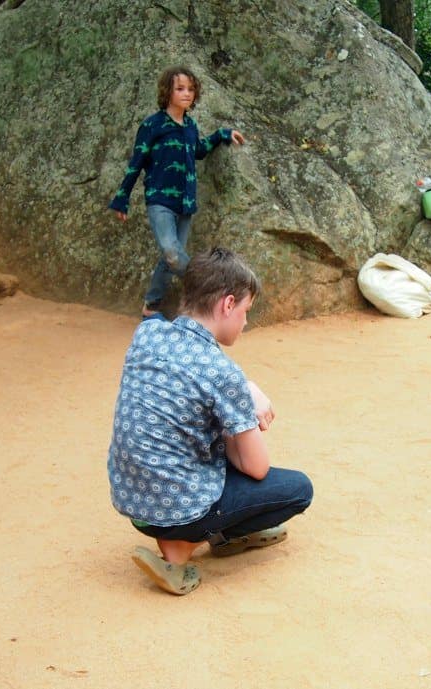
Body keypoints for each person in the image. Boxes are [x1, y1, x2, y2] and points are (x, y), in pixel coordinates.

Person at [107, 247, 313, 595]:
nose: (246, 322)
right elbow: (257, 468)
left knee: (210, 447)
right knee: (298, 489)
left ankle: (203, 536)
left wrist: (244, 389)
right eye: (246, 311)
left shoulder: (148, 334)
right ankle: (185, 547)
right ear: (227, 304)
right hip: (179, 510)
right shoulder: (221, 372)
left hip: (133, 504)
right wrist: (246, 396)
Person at [109, 66, 246, 318]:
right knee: (172, 253)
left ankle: (151, 306)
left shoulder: (190, 126)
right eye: (180, 88)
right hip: (160, 200)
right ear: (167, 92)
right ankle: (209, 287)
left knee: (169, 259)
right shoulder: (153, 125)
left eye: (191, 89)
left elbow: (200, 151)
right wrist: (122, 198)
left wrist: (222, 135)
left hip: (186, 204)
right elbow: (137, 162)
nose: (187, 94)